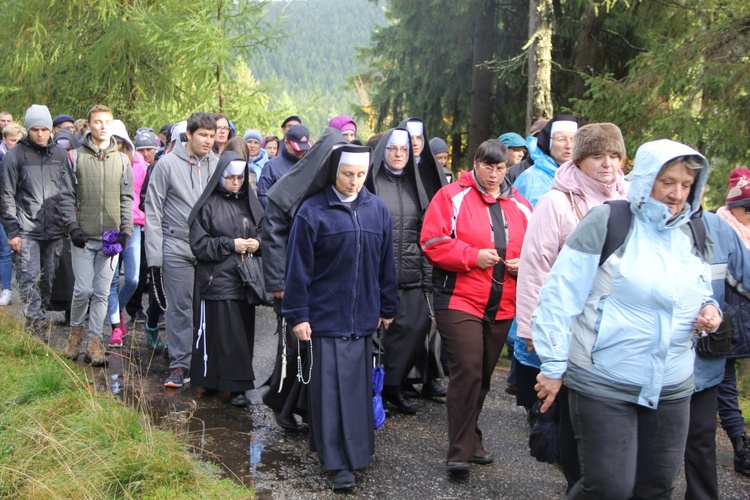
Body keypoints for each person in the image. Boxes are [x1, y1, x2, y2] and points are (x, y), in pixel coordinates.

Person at [532, 139, 720, 498]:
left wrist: (709, 310)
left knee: (656, 488)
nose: (677, 193)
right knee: (608, 488)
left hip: (672, 384)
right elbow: (558, 297)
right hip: (604, 380)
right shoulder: (609, 221)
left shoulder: (694, 232)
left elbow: (702, 290)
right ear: (647, 177)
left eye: (686, 185)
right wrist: (554, 365)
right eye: (668, 182)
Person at [515, 123, 627, 489]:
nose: (607, 164)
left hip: (616, 338)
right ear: (579, 160)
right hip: (570, 332)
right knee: (572, 430)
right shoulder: (557, 203)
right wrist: (532, 330)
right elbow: (535, 267)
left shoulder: (631, 200)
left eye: (614, 155)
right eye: (598, 156)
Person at [283, 144, 398, 490]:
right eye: (348, 174)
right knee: (330, 393)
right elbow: (298, 270)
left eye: (361, 175)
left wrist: (387, 307)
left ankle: (358, 453)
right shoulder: (312, 211)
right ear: (334, 171)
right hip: (324, 318)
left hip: (362, 318)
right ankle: (335, 462)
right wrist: (298, 315)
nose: (354, 182)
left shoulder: (377, 210)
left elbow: (385, 264)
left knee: (356, 391)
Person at [420, 139, 532, 473]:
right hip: (458, 299)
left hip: (502, 303)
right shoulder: (452, 195)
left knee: (482, 376)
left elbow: (539, 249)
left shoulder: (522, 205)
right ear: (476, 163)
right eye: (488, 166)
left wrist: (522, 262)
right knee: (467, 369)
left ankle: (472, 435)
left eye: (500, 168)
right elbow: (431, 241)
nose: (494, 174)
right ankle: (459, 452)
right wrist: (472, 256)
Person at [261, 127, 349, 431]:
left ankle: (309, 406)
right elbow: (272, 237)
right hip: (291, 283)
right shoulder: (289, 187)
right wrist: (279, 285)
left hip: (322, 283)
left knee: (315, 350)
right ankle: (283, 406)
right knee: (296, 349)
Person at [366, 127, 446, 414]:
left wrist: (427, 279)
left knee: (413, 329)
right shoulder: (371, 183)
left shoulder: (416, 185)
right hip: (377, 275)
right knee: (377, 337)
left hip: (411, 273)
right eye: (393, 149)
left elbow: (424, 234)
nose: (399, 154)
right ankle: (373, 390)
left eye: (403, 150)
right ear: (383, 152)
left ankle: (394, 386)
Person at [145, 112, 218, 388]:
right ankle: (179, 365)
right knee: (180, 308)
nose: (208, 141)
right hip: (176, 245)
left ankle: (205, 363)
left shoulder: (218, 164)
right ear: (188, 134)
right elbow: (153, 210)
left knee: (208, 308)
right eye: (203, 135)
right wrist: (154, 256)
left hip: (210, 247)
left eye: (212, 136)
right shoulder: (166, 165)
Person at [187, 151, 264, 407]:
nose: (236, 182)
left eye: (240, 178)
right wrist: (230, 244)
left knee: (241, 334)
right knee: (222, 335)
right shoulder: (207, 205)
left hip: (245, 280)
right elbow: (199, 246)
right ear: (221, 177)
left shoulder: (249, 202)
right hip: (217, 279)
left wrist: (258, 243)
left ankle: (234, 384)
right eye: (230, 177)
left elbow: (266, 231)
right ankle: (222, 383)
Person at [685, 200, 750, 498]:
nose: (681, 192)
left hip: (705, 361)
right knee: (647, 449)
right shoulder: (634, 224)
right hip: (649, 362)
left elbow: (745, 277)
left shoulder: (718, 228)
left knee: (700, 440)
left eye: (690, 183)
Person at [62, 105, 134, 367]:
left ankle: (95, 341)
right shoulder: (75, 157)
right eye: (97, 122)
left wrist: (125, 232)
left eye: (107, 122)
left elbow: (127, 198)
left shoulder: (122, 159)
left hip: (111, 236)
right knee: (82, 290)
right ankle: (75, 335)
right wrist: (73, 227)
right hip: (83, 235)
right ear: (89, 126)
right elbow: (66, 196)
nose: (103, 126)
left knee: (103, 292)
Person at [0, 105, 76, 335]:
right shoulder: (15, 157)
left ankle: (39, 319)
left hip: (55, 230)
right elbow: (6, 196)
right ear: (28, 130)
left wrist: (70, 224)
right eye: (35, 129)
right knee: (29, 279)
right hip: (27, 230)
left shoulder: (60, 155)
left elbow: (68, 191)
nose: (40, 134)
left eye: (44, 129)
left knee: (48, 280)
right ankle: (36, 331)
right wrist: (12, 232)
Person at [714, 167, 750, 478]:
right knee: (725, 382)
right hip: (727, 321)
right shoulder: (720, 230)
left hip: (741, 320)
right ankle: (740, 443)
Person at [105, 120, 146, 347]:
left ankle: (117, 309)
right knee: (111, 280)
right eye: (112, 142)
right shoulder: (101, 162)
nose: (117, 146)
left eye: (120, 142)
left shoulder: (140, 165)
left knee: (132, 278)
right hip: (109, 228)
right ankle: (114, 327)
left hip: (135, 226)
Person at [507, 116, 578, 194]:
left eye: (573, 139)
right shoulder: (531, 178)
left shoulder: (584, 175)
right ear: (548, 142)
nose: (568, 145)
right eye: (561, 139)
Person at [0, 123, 27, 306]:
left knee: (13, 251)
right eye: (12, 141)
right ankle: (7, 288)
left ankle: (13, 286)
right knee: (4, 250)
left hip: (20, 210)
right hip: (5, 209)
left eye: (19, 141)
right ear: (4, 140)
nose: (15, 144)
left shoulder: (24, 158)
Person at [257, 124, 311, 207]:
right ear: (286, 143)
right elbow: (263, 197)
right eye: (297, 149)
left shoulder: (311, 165)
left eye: (304, 148)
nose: (302, 152)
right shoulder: (271, 167)